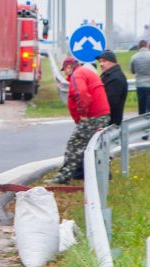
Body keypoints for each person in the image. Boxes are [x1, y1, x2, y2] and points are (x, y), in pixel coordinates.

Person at [46, 57, 111, 185]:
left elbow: (81, 93)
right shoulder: (84, 72)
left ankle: (63, 178)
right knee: (90, 146)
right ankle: (98, 173)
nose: (65, 73)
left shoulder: (77, 75)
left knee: (75, 144)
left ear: (69, 67)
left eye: (64, 69)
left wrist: (82, 114)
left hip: (93, 116)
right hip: (100, 114)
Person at [97, 50, 128, 126]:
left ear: (112, 62)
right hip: (105, 121)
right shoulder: (108, 75)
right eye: (100, 62)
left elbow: (110, 103)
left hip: (110, 123)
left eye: (104, 61)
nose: (101, 64)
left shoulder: (116, 78)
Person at [130, 40, 150, 115]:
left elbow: (132, 71)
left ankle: (141, 124)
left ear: (139, 47)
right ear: (147, 46)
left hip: (140, 85)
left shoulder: (134, 57)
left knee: (141, 108)